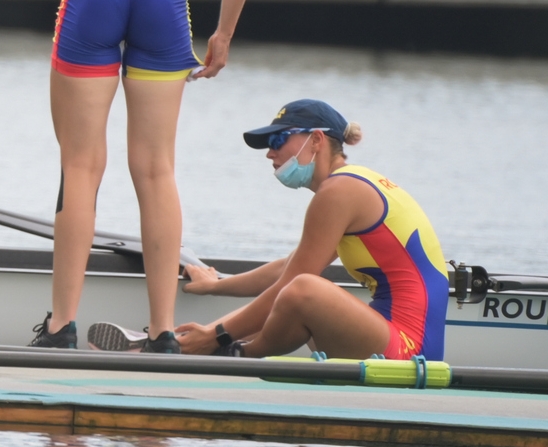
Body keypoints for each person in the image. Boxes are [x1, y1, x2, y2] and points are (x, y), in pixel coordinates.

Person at [33, 0, 258, 354]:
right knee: (156, 170)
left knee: (80, 165)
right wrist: (224, 33)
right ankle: (162, 333)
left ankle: (61, 327)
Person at [131, 100, 450, 361]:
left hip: (409, 350)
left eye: (278, 140)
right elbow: (287, 267)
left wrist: (216, 334)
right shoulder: (355, 182)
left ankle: (235, 354)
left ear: (317, 140)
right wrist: (216, 285)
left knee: (304, 291)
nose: (270, 153)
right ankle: (212, 347)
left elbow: (292, 283)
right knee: (297, 289)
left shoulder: (339, 192)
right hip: (390, 335)